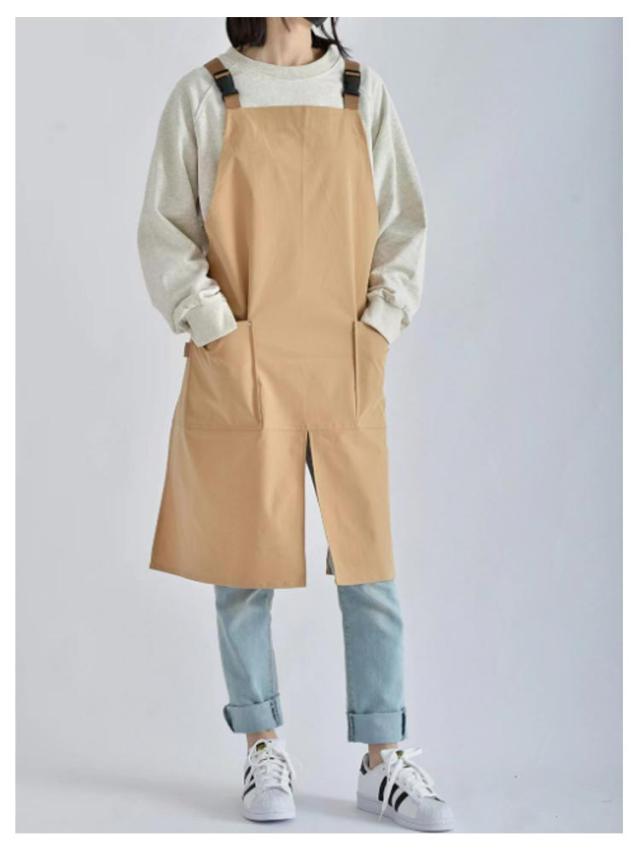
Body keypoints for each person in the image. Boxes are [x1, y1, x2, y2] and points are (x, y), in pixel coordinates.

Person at [138, 17, 453, 832]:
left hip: (343, 358)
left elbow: (404, 224)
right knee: (242, 567)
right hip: (244, 360)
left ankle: (383, 758)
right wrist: (216, 328)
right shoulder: (206, 95)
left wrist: (380, 325)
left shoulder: (359, 89)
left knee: (369, 566)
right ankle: (262, 744)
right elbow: (166, 233)